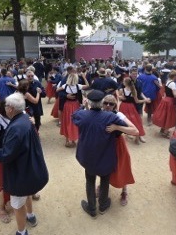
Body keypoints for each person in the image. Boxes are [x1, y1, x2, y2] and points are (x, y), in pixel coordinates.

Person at [0, 93, 49, 235]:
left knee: (17, 202)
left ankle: (22, 231)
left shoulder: (16, 126)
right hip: (28, 164)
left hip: (18, 168)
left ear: (10, 108)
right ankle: (30, 215)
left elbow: (5, 155)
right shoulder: (26, 118)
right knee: (26, 192)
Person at [72, 90, 127, 218]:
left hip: (88, 156)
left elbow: (74, 116)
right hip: (105, 155)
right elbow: (122, 129)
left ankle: (92, 208)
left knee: (90, 180)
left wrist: (82, 106)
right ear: (102, 103)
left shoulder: (82, 114)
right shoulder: (111, 117)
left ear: (89, 102)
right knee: (104, 180)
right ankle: (103, 205)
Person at [101, 94, 138, 206]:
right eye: (105, 103)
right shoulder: (99, 112)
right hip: (103, 145)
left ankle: (124, 191)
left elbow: (135, 131)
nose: (108, 105)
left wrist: (117, 127)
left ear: (115, 105)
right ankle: (102, 185)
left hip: (117, 144)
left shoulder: (119, 115)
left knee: (122, 166)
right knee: (102, 166)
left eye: (111, 103)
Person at [56, 72, 89, 148]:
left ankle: (67, 140)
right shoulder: (78, 86)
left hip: (67, 105)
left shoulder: (65, 86)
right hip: (76, 105)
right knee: (75, 120)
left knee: (67, 120)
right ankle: (73, 139)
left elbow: (57, 90)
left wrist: (66, 95)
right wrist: (84, 77)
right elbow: (87, 86)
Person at [152, 70, 176, 138]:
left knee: (165, 116)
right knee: (169, 117)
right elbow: (175, 95)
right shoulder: (173, 84)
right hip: (170, 101)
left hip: (166, 100)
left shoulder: (168, 81)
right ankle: (165, 133)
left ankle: (162, 130)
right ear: (175, 76)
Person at [117, 77, 149, 144]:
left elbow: (121, 98)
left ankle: (127, 134)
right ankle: (136, 137)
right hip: (131, 106)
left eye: (123, 81)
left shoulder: (122, 90)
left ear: (125, 83)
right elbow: (137, 101)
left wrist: (120, 97)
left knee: (125, 120)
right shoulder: (133, 90)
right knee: (136, 121)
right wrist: (145, 100)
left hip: (123, 106)